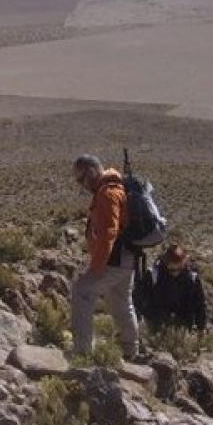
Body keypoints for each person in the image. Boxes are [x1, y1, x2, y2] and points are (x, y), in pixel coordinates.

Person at [71, 154, 139, 359]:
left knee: (82, 291)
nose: (82, 185)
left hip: (115, 260)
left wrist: (97, 265)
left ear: (91, 172)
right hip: (126, 257)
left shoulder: (107, 193)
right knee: (119, 300)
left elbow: (110, 231)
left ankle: (82, 352)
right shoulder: (114, 188)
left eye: (81, 179)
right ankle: (130, 348)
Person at [135, 242, 207, 332]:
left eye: (178, 269)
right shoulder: (153, 275)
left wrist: (201, 328)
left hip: (183, 324)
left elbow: (199, 304)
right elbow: (140, 299)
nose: (175, 273)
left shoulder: (192, 278)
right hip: (156, 324)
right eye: (172, 270)